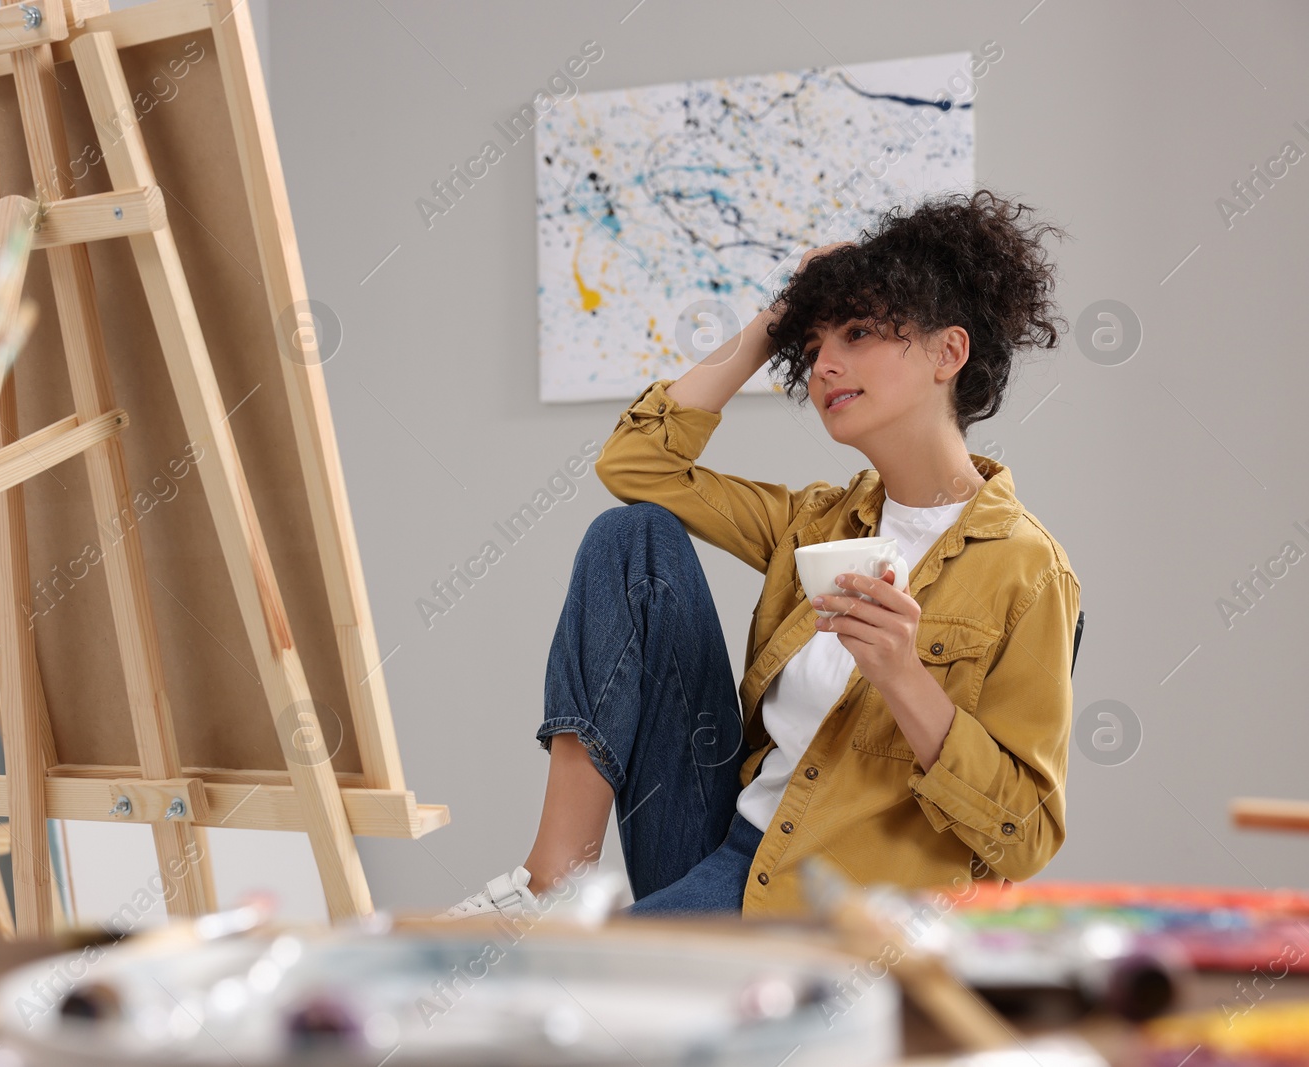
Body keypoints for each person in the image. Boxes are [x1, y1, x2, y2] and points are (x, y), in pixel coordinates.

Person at [441, 189, 1081, 921]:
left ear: (949, 351)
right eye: (811, 352)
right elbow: (637, 464)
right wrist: (777, 317)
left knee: (563, 983)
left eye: (858, 333)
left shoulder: (1027, 570)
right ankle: (552, 882)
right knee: (633, 538)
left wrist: (904, 677)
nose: (824, 368)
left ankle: (600, 939)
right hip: (723, 846)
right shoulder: (813, 522)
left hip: (840, 907)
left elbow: (1024, 837)